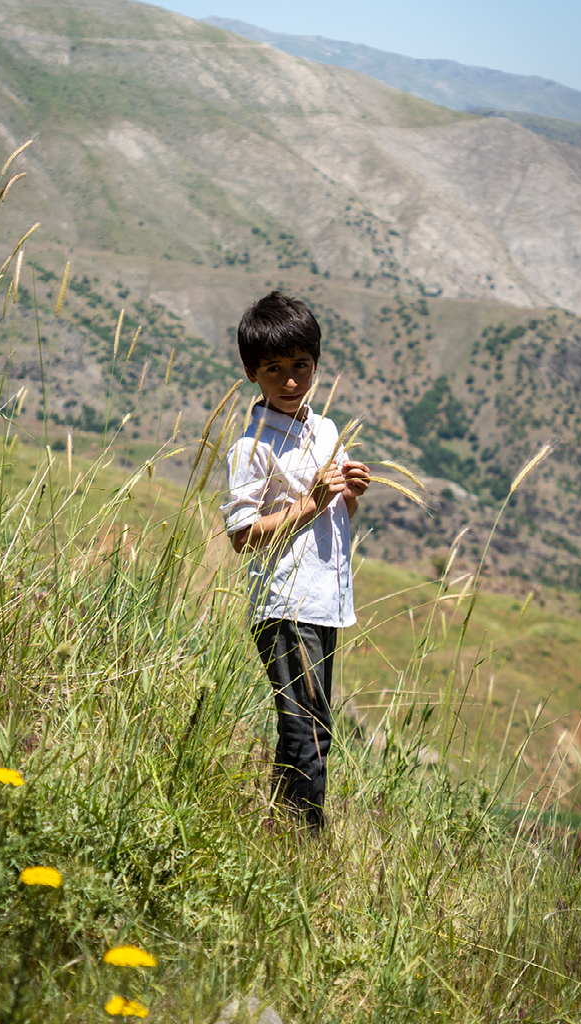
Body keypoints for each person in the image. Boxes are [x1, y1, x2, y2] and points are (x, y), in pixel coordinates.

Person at [221, 291, 370, 832]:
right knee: (307, 726)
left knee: (311, 726)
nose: (290, 381)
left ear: (316, 362)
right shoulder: (251, 445)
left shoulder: (325, 430)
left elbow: (341, 511)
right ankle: (308, 839)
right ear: (251, 374)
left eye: (301, 366)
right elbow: (241, 536)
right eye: (274, 369)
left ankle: (281, 828)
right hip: (285, 601)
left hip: (326, 600)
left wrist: (350, 489)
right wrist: (314, 500)